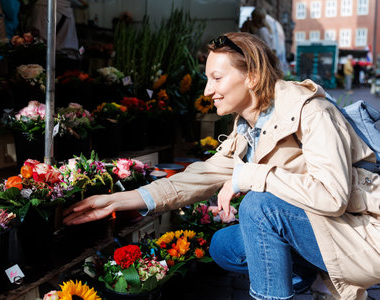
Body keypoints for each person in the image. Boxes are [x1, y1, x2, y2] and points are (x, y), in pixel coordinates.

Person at [63, 32, 380, 300]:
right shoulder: (251, 126)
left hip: (363, 238)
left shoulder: (313, 113)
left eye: (217, 78)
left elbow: (332, 196)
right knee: (225, 245)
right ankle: (308, 276)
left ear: (252, 77)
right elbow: (199, 177)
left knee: (259, 207)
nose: (206, 91)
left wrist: (250, 175)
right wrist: (117, 200)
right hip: (324, 230)